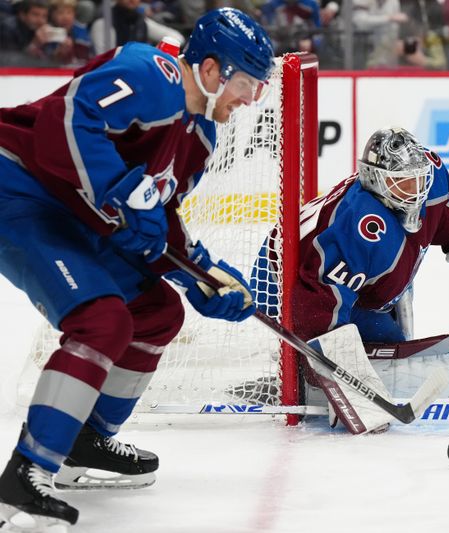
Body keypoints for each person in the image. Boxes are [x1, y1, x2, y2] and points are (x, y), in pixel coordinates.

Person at [0, 7, 272, 529]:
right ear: (212, 71)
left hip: (72, 214)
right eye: (245, 83)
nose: (248, 99)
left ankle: (85, 439)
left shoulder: (201, 137)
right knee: (102, 321)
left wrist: (203, 275)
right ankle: (26, 472)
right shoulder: (153, 73)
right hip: (20, 187)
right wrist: (121, 193)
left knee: (156, 311)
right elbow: (69, 121)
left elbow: (158, 216)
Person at [251, 127, 449, 433]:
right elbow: (319, 301)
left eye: (419, 179)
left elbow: (438, 216)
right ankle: (293, 369)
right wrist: (334, 383)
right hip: (282, 280)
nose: (415, 190)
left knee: (390, 344)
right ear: (377, 181)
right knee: (338, 347)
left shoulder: (428, 180)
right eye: (403, 183)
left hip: (341, 281)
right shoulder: (361, 226)